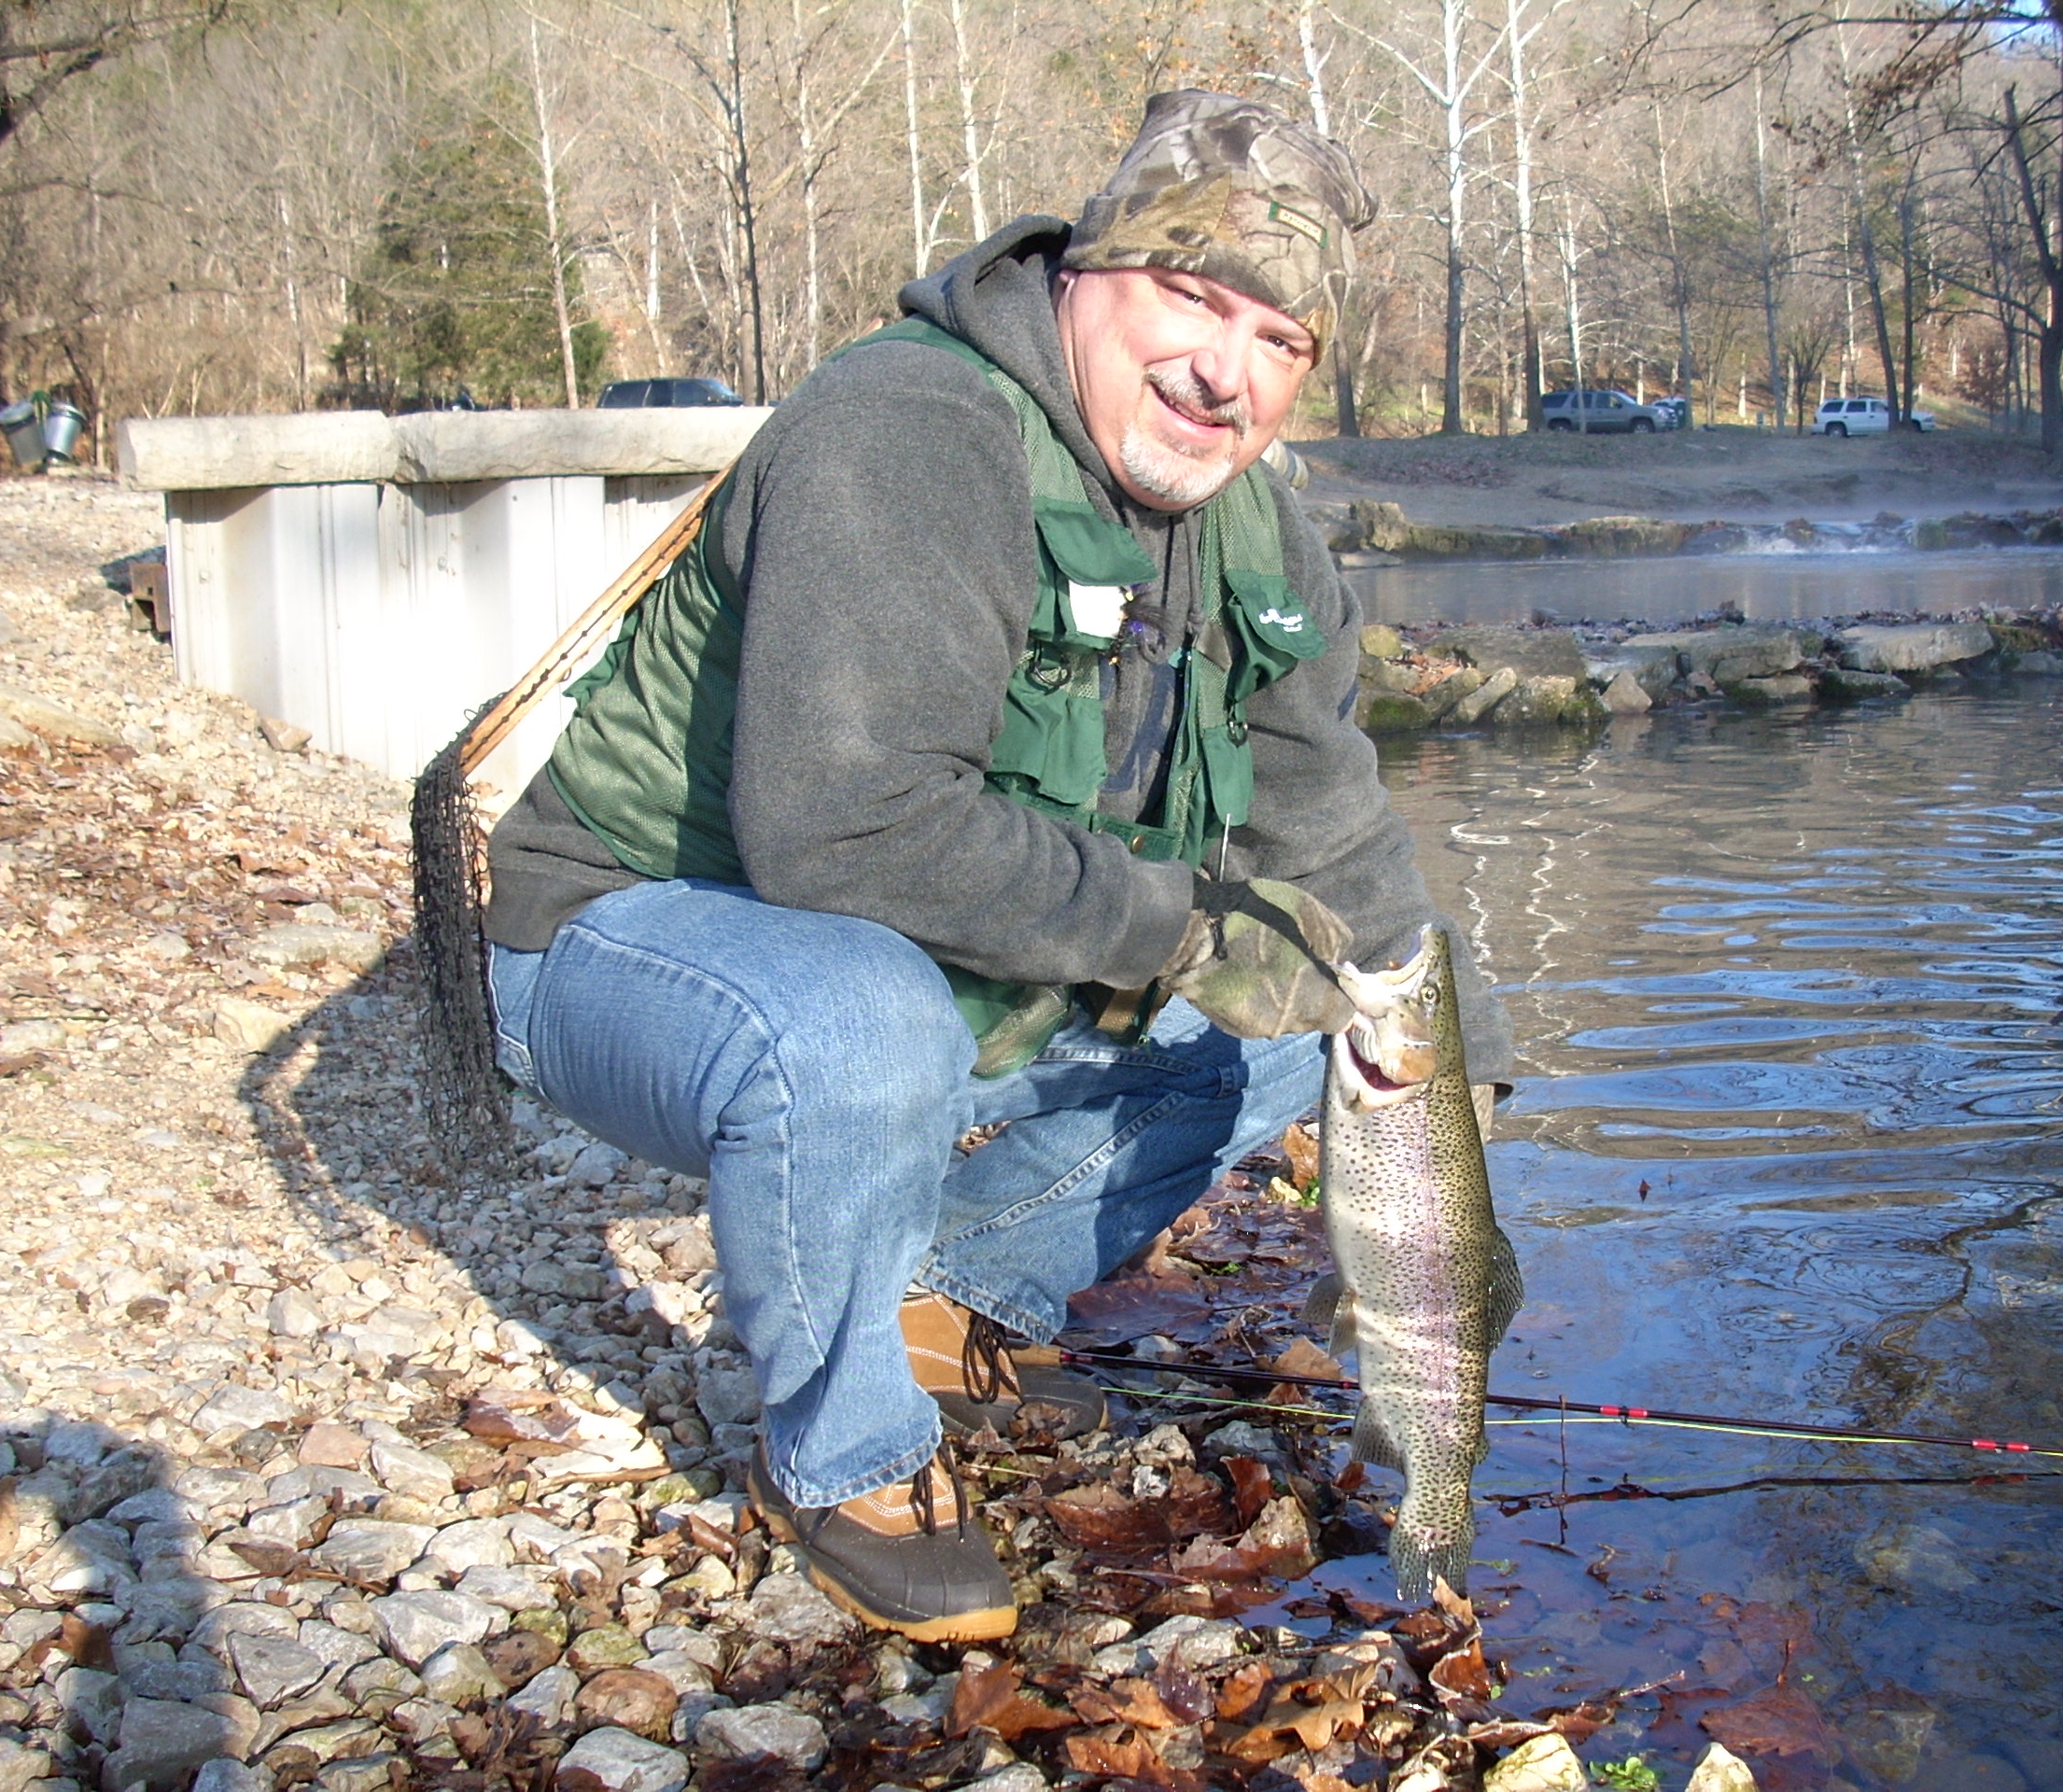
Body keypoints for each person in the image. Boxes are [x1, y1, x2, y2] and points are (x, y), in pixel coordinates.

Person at [476, 91, 1512, 1644]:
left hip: (927, 961)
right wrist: (1174, 935)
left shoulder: (1254, 529)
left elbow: (1332, 819)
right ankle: (842, 1456)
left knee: (1317, 1036)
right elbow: (846, 826)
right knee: (860, 1020)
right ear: (1087, 270)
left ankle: (936, 1288)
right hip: (630, 948)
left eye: (1280, 344)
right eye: (1194, 297)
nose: (1225, 371)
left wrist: (1457, 1084)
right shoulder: (912, 432)